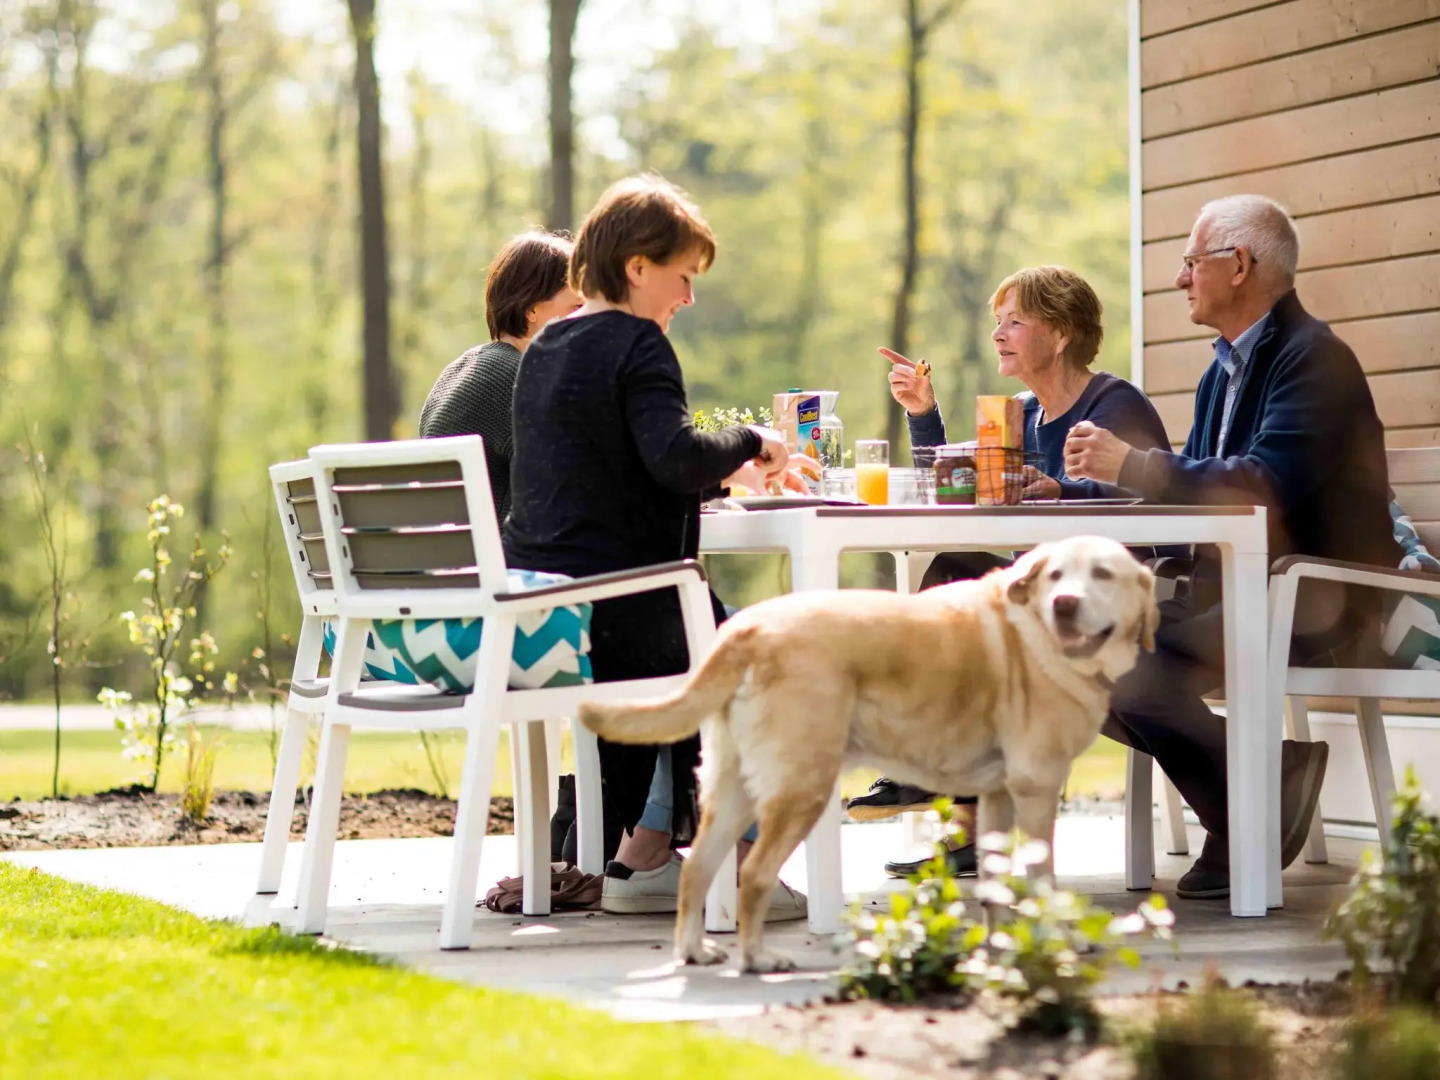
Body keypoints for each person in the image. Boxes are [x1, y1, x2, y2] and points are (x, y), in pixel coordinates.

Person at [1064, 194, 1400, 898]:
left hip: (1320, 603)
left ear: (1238, 264)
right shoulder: (1224, 369)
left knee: (1120, 659)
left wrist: (1131, 463)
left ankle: (1247, 808)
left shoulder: (1315, 360)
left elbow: (1262, 484)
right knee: (1073, 649)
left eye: (1191, 262)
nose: (1180, 278)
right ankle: (1261, 788)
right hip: (1239, 594)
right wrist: (1068, 491)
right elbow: (1194, 488)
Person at [503, 174, 810, 918]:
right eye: (682, 277)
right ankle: (743, 861)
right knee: (764, 655)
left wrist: (723, 474)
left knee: (710, 623)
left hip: (547, 609)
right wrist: (755, 441)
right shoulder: (638, 342)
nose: (687, 298)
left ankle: (645, 854)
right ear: (638, 267)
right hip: (622, 613)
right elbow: (672, 457)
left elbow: (611, 475)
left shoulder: (548, 346)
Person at [853, 265, 1170, 877]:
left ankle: (928, 762)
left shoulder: (1113, 402)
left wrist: (1063, 492)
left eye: (1015, 321)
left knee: (968, 596)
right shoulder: (1019, 411)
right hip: (1045, 604)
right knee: (960, 573)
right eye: (996, 321)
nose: (998, 333)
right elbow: (964, 490)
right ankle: (960, 808)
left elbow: (1150, 507)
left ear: (1061, 334)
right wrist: (924, 413)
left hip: (1111, 601)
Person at [419, 231, 581, 521]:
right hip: (505, 563)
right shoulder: (520, 379)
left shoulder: (455, 373)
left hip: (451, 561)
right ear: (532, 309)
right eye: (576, 307)